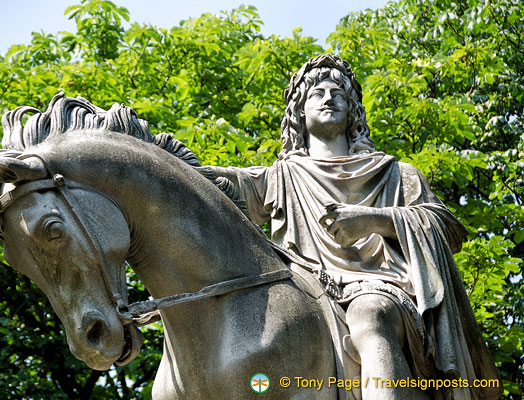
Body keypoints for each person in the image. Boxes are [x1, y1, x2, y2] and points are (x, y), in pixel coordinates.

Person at [211, 54, 500, 399]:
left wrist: (374, 221)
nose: (329, 98)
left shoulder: (396, 173)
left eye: (338, 93)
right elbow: (210, 185)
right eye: (317, 93)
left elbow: (446, 227)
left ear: (353, 111)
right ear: (300, 112)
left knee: (369, 315)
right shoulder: (278, 178)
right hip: (305, 287)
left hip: (380, 286)